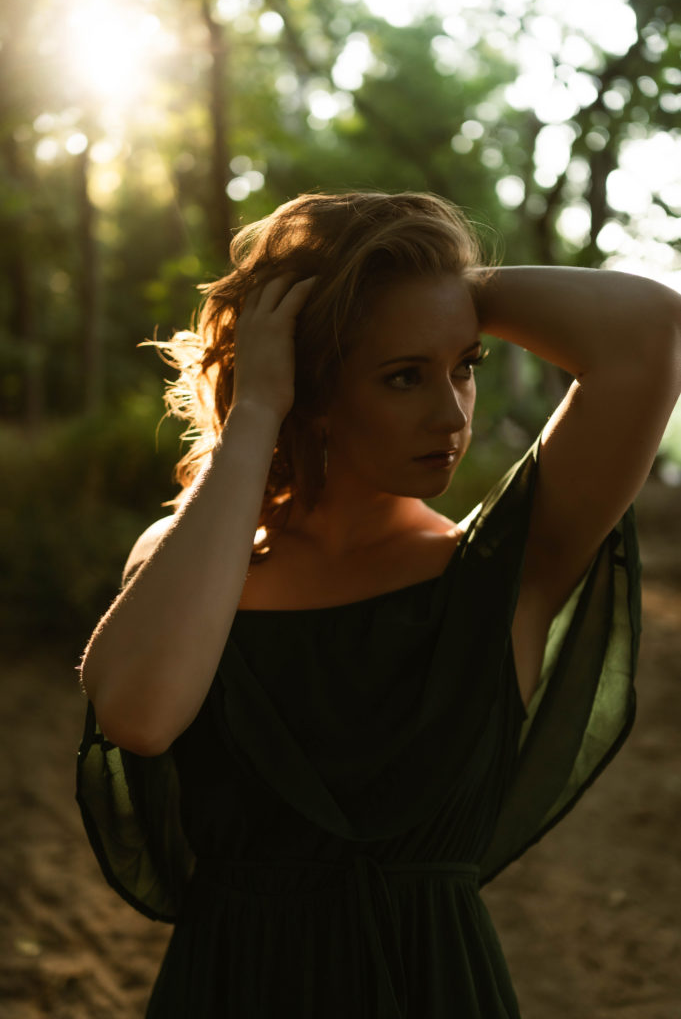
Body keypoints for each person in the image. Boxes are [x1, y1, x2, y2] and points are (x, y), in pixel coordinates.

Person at [76, 191, 681, 1018]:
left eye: (465, 365)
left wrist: (439, 288)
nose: (452, 414)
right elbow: (141, 716)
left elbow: (649, 328)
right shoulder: (188, 564)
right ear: (312, 385)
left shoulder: (502, 570)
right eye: (403, 376)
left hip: (436, 991)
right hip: (233, 991)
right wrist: (256, 413)